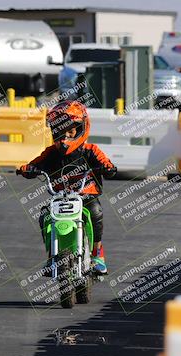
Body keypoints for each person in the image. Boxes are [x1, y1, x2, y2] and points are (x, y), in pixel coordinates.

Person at [19, 100, 117, 274]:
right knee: (45, 216)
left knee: (96, 212)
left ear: (81, 129)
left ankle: (97, 253)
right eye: (59, 131)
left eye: (70, 130)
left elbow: (106, 163)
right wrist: (27, 169)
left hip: (86, 196)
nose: (65, 136)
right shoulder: (50, 153)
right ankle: (52, 256)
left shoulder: (91, 150)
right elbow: (34, 164)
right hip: (60, 197)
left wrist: (108, 168)